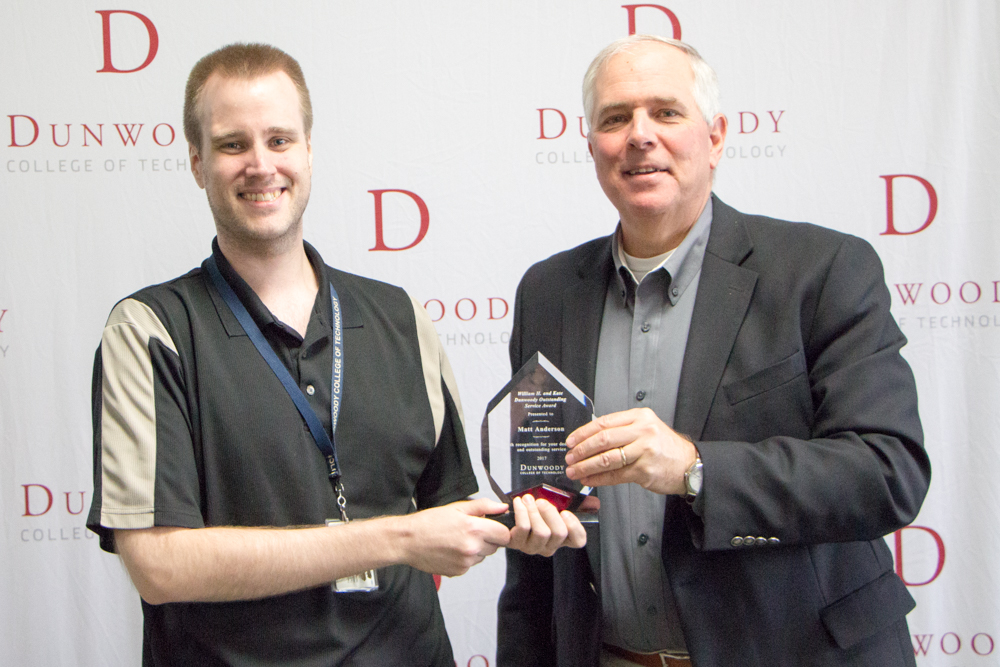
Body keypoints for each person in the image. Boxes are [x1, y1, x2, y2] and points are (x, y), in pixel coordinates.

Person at [86, 43, 583, 667]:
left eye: (279, 140)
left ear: (309, 151)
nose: (261, 165)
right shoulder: (151, 329)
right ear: (197, 163)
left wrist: (526, 519)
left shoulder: (401, 317)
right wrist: (394, 538)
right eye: (233, 144)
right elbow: (159, 566)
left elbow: (446, 514)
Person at [497, 35, 930, 667]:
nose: (639, 135)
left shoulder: (823, 270)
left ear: (716, 138)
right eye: (615, 119)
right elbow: (535, 520)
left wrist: (695, 469)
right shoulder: (548, 291)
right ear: (592, 148)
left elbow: (887, 472)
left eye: (666, 112)